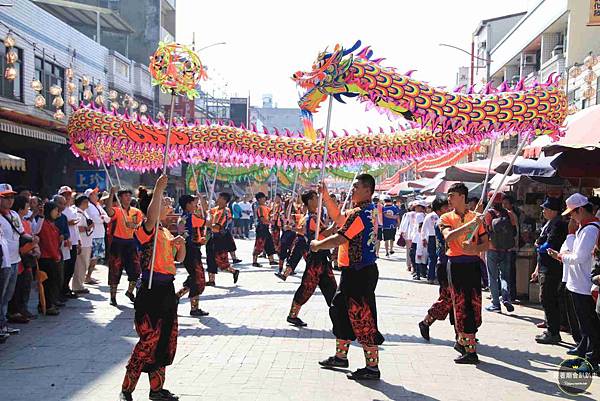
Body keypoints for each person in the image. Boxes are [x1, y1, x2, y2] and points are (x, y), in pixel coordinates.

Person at [312, 174, 385, 381]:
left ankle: (372, 367)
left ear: (368, 190)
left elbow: (340, 237)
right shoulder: (365, 211)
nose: (352, 190)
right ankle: (340, 356)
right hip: (353, 271)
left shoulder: (362, 213)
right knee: (340, 311)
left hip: (359, 273)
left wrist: (318, 245)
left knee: (363, 317)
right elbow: (339, 219)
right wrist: (326, 197)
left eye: (356, 187)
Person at [119, 175, 185, 401]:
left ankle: (156, 390)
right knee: (148, 341)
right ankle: (126, 389)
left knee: (165, 340)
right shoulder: (145, 228)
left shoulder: (165, 232)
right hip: (149, 291)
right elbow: (151, 215)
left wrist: (180, 245)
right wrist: (158, 189)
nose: (169, 204)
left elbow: (178, 259)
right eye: (164, 201)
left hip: (167, 290)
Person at [548, 193, 600, 373]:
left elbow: (578, 257)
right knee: (585, 325)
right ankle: (587, 352)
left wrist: (562, 256)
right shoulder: (583, 228)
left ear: (579, 210)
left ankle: (593, 360)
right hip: (578, 282)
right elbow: (569, 249)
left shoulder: (590, 229)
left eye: (572, 213)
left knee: (590, 326)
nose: (571, 217)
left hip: (585, 284)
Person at [438, 183, 489, 364]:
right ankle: (469, 349)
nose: (449, 199)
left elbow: (486, 244)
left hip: (473, 264)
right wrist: (469, 227)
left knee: (473, 306)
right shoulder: (446, 217)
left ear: (461, 196)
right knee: (460, 305)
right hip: (456, 265)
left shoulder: (476, 217)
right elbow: (448, 237)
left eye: (451, 195)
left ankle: (465, 343)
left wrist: (474, 248)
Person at [279, 190, 338, 327]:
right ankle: (292, 315)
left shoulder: (312, 217)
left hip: (321, 257)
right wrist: (335, 225)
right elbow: (323, 234)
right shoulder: (311, 218)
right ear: (310, 200)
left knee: (331, 288)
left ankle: (339, 318)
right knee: (307, 287)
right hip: (316, 258)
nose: (319, 199)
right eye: (316, 197)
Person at [530, 197, 568, 344]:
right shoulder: (550, 223)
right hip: (545, 265)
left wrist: (539, 246)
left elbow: (550, 245)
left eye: (545, 209)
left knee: (547, 298)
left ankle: (553, 331)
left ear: (553, 211)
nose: (543, 211)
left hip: (552, 267)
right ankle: (551, 327)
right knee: (547, 298)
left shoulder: (558, 224)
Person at [418, 196, 451, 340]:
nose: (449, 209)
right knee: (447, 299)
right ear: (438, 210)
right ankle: (426, 321)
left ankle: (463, 333)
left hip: (453, 263)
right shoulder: (441, 222)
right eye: (446, 207)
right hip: (445, 263)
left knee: (457, 301)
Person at [105, 187, 143, 306]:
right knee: (115, 270)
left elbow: (140, 225)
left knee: (135, 270)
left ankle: (130, 291)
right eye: (125, 195)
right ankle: (113, 297)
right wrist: (111, 194)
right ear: (120, 198)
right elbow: (109, 211)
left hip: (130, 243)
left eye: (129, 195)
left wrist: (133, 225)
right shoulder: (117, 210)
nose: (128, 197)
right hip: (117, 243)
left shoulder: (136, 211)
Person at [484, 192, 518, 313]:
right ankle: (506, 297)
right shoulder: (509, 214)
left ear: (490, 200)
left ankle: (495, 304)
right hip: (507, 250)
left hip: (492, 249)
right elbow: (514, 232)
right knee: (505, 276)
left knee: (493, 277)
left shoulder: (488, 214)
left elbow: (487, 232)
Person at [8, 195, 39, 323]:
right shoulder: (14, 221)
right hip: (18, 259)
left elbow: (31, 236)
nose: (29, 209)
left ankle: (22, 309)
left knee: (25, 285)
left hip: (26, 260)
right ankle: (15, 312)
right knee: (16, 289)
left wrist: (35, 247)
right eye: (27, 206)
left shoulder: (24, 222)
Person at [176, 194, 209, 316]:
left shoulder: (182, 218)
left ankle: (177, 296)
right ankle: (194, 308)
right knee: (197, 278)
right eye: (194, 203)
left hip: (188, 250)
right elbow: (208, 222)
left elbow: (184, 234)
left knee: (194, 276)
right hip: (191, 251)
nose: (195, 205)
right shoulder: (190, 217)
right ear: (188, 204)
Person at [0, 184, 24, 337]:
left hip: (14, 259)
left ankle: (3, 323)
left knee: (8, 295)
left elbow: (21, 233)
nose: (10, 200)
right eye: (6, 197)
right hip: (3, 261)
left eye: (11, 197)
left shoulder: (14, 214)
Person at [206, 192, 240, 286]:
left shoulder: (226, 211)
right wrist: (201, 199)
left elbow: (217, 227)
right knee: (210, 259)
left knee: (222, 262)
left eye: (220, 197)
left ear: (224, 200)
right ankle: (211, 280)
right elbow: (207, 211)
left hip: (221, 238)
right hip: (213, 237)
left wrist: (208, 223)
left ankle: (234, 271)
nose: (217, 199)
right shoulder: (215, 209)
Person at [36, 201, 62, 317]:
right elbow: (48, 243)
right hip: (47, 258)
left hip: (53, 256)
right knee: (48, 283)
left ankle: (48, 303)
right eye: (55, 210)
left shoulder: (52, 224)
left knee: (53, 282)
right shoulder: (44, 224)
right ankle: (46, 305)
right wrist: (56, 255)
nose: (57, 212)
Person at [57, 186, 81, 300]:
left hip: (74, 241)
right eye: (65, 195)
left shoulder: (72, 209)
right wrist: (68, 223)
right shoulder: (58, 211)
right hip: (65, 242)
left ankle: (66, 287)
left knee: (71, 267)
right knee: (64, 267)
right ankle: (61, 289)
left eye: (69, 195)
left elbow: (76, 227)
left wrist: (79, 241)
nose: (67, 197)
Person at [84, 188, 110, 285]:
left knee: (96, 257)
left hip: (100, 233)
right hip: (93, 234)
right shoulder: (89, 206)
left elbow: (107, 218)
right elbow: (96, 219)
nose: (96, 195)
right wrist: (102, 218)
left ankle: (88, 276)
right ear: (90, 196)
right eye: (94, 194)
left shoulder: (98, 205)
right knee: (91, 257)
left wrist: (103, 218)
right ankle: (86, 276)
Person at [422, 197, 447, 284]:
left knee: (436, 258)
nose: (446, 209)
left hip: (437, 237)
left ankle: (434, 277)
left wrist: (423, 238)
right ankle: (431, 276)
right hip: (432, 237)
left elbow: (423, 229)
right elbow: (424, 228)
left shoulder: (443, 216)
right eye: (445, 207)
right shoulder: (431, 216)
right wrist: (423, 238)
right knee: (433, 257)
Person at [73, 195, 93, 295]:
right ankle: (77, 286)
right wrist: (87, 228)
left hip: (86, 241)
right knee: (81, 265)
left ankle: (79, 284)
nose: (87, 203)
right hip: (82, 242)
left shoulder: (83, 212)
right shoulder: (78, 213)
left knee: (84, 264)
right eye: (86, 202)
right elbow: (77, 227)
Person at [502, 195, 520, 302]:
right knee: (507, 272)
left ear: (511, 205)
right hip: (508, 248)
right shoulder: (506, 214)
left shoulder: (511, 215)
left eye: (506, 203)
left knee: (510, 273)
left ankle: (511, 296)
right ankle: (508, 295)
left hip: (511, 248)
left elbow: (515, 232)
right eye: (503, 203)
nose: (504, 205)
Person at [252, 192, 277, 267]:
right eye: (263, 197)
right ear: (259, 199)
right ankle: (254, 261)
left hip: (265, 228)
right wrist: (270, 222)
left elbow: (271, 212)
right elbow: (262, 219)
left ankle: (271, 260)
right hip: (261, 228)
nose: (264, 199)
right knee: (259, 244)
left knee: (269, 243)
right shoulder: (260, 208)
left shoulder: (265, 207)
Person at [399, 202, 415, 272]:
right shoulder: (421, 214)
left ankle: (409, 265)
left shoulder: (407, 214)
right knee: (413, 250)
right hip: (414, 235)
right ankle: (412, 265)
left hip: (409, 235)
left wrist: (402, 232)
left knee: (409, 250)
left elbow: (404, 225)